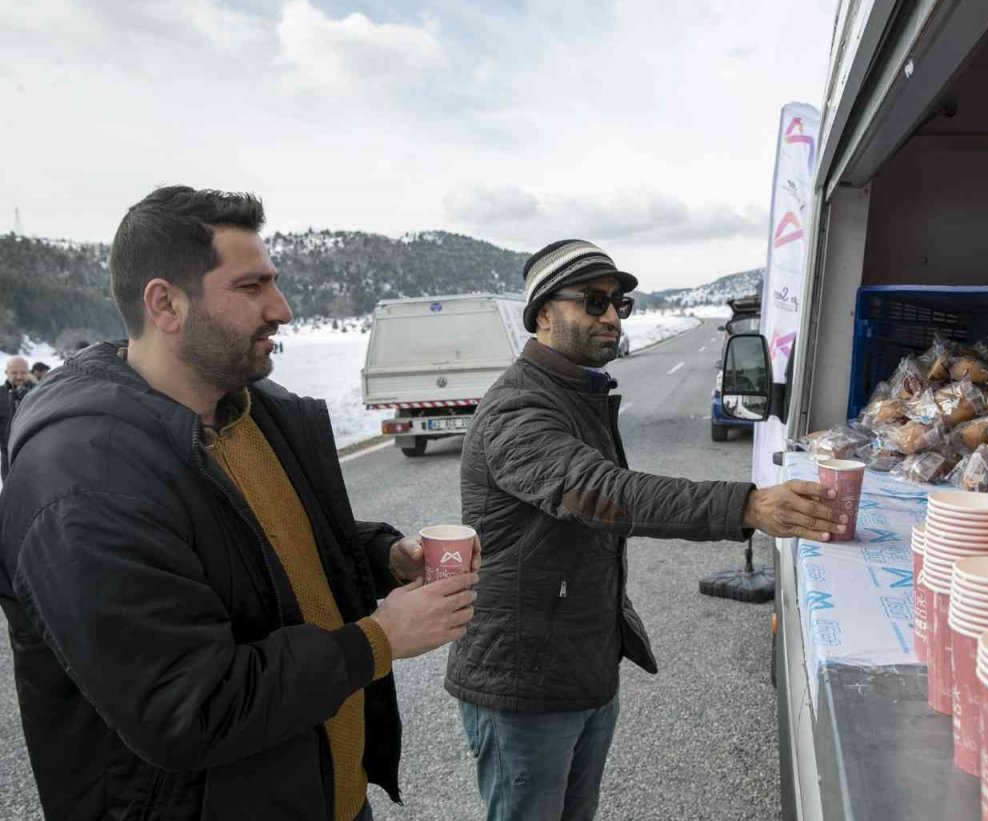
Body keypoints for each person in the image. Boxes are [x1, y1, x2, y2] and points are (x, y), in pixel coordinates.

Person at [0, 186, 480, 821]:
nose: (281, 309)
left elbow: (278, 552)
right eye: (251, 287)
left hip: (326, 798)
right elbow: (186, 707)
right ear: (166, 303)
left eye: (274, 283)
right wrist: (378, 640)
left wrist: (387, 557)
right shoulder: (84, 478)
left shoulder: (253, 411)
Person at [447, 239, 845, 821]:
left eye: (619, 303)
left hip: (579, 666)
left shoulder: (578, 390)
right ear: (542, 315)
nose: (612, 316)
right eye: (594, 301)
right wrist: (747, 506)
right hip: (521, 681)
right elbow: (603, 493)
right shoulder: (518, 409)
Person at [0, 356, 33, 479]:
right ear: (6, 373)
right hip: (7, 454)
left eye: (23, 372)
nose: (19, 376)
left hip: (34, 452)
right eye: (14, 373)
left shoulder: (39, 392)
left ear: (28, 372)